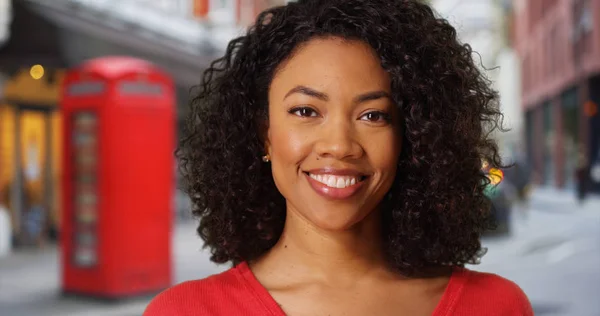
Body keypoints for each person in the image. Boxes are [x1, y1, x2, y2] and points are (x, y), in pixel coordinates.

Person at [144, 0, 533, 315]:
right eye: (305, 111)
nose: (340, 145)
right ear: (263, 134)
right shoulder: (185, 311)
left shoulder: (497, 306)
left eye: (373, 115)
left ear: (410, 140)